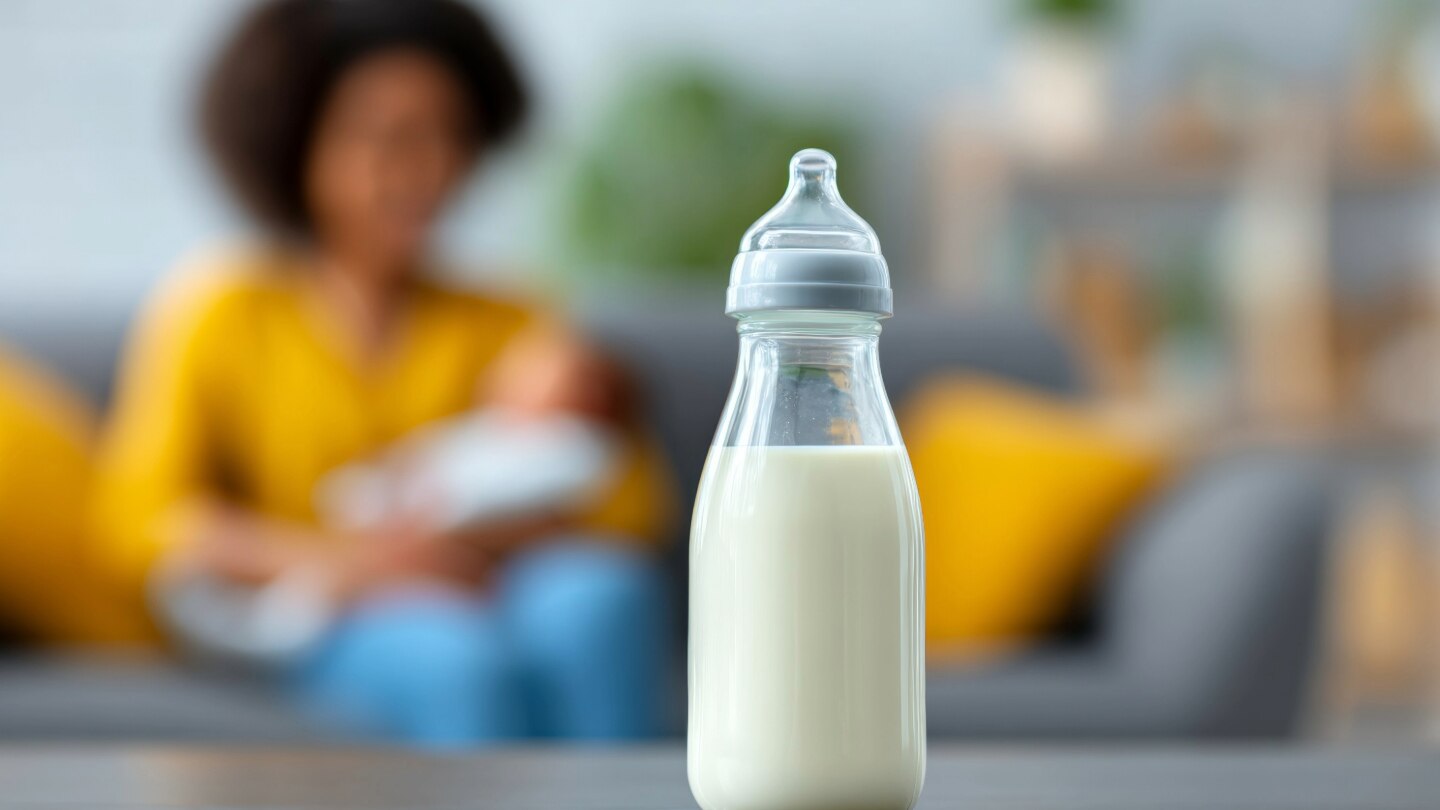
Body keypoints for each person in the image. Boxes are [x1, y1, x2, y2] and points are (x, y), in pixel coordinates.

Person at [92, 0, 675, 746]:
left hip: (496, 583)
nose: (430, 169)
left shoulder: (511, 318)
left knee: (601, 598)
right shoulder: (221, 311)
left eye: (451, 134)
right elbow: (140, 519)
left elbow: (627, 505)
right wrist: (357, 563)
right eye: (391, 138)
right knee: (459, 666)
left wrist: (471, 547)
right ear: (300, 142)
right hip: (335, 606)